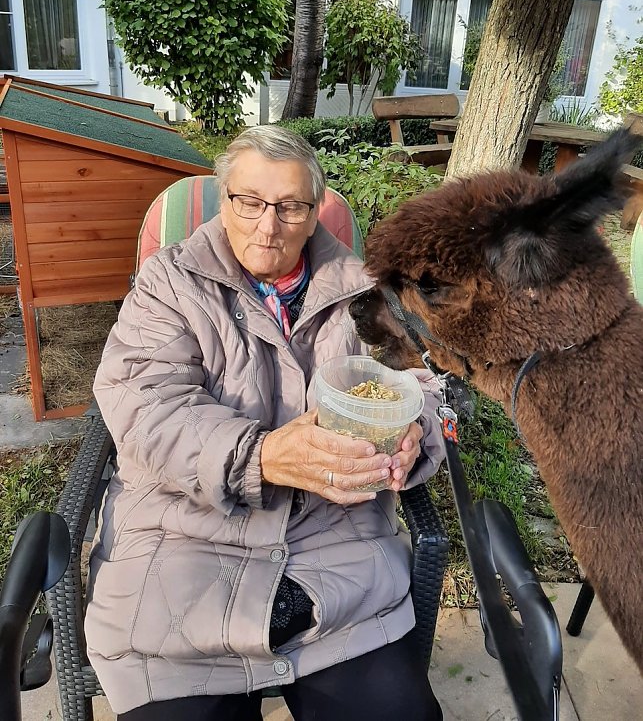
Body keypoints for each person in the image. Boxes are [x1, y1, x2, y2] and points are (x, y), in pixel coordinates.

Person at [86, 125, 445, 721]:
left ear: (314, 216)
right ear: (226, 201)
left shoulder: (364, 292)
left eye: (289, 207)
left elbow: (426, 376)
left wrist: (415, 428)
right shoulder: (169, 283)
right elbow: (145, 404)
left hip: (335, 552)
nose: (267, 223)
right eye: (250, 202)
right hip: (186, 547)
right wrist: (258, 457)